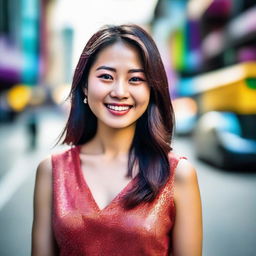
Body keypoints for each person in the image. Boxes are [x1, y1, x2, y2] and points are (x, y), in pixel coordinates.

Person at [32, 24, 202, 256]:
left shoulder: (178, 174)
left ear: (152, 90)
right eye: (106, 76)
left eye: (135, 79)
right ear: (83, 86)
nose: (120, 91)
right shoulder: (51, 171)